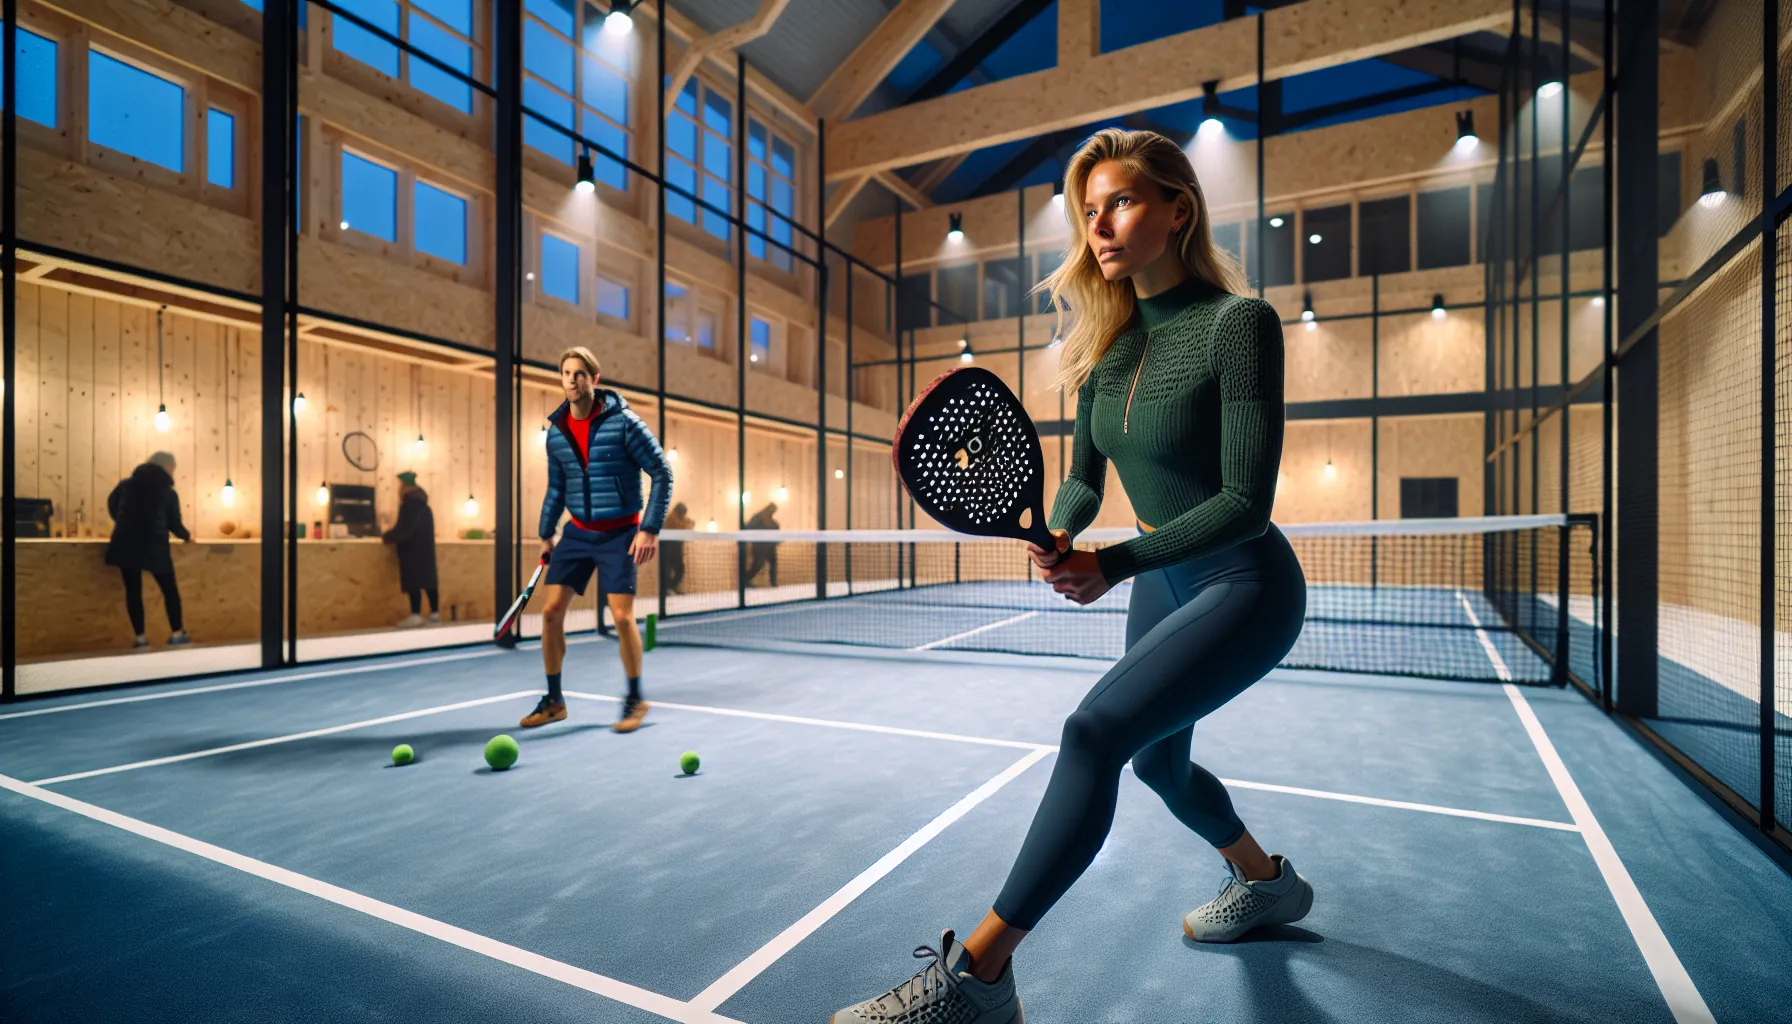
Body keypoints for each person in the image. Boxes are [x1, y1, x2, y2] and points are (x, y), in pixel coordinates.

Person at [833, 129, 1309, 1023]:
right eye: (1090, 211)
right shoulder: (1107, 349)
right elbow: (1088, 478)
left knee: (1092, 733)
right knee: (1161, 770)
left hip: (1246, 582)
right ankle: (1269, 885)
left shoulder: (1239, 326)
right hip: (1170, 581)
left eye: (1122, 202)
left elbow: (1246, 501)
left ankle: (976, 979)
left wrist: (1113, 563)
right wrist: (1061, 528)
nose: (1102, 226)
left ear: (1178, 209)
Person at [521, 346, 673, 733]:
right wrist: (546, 534)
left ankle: (635, 699)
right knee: (552, 613)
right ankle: (554, 701)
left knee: (622, 617)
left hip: (620, 534)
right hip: (577, 534)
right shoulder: (556, 433)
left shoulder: (624, 423)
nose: (572, 380)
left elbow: (661, 472)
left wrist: (649, 528)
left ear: (594, 380)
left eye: (580, 374)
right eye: (566, 373)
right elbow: (557, 488)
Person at [105, 451, 193, 649]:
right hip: (154, 545)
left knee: (133, 591)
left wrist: (125, 523)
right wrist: (188, 537)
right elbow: (175, 524)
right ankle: (177, 634)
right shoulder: (168, 492)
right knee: (169, 590)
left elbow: (112, 507)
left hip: (125, 542)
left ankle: (141, 639)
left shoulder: (126, 485)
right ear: (167, 466)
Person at [382, 471, 439, 628]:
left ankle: (416, 614)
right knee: (428, 581)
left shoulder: (409, 505)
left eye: (400, 486)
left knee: (414, 581)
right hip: (426, 550)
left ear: (405, 487)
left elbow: (404, 530)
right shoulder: (425, 506)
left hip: (412, 551)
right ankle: (435, 614)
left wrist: (386, 536)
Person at [742, 501, 779, 588]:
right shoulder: (757, 518)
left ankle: (773, 583)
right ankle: (745, 581)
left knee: (773, 564)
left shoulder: (773, 524)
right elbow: (747, 527)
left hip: (770, 549)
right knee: (757, 565)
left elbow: (775, 533)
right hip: (759, 549)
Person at [661, 502, 694, 595]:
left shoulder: (681, 520)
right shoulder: (671, 519)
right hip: (667, 550)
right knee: (667, 571)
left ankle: (671, 587)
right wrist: (687, 523)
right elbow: (683, 526)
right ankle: (667, 589)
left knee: (680, 570)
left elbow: (690, 525)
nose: (683, 514)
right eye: (682, 512)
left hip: (677, 550)